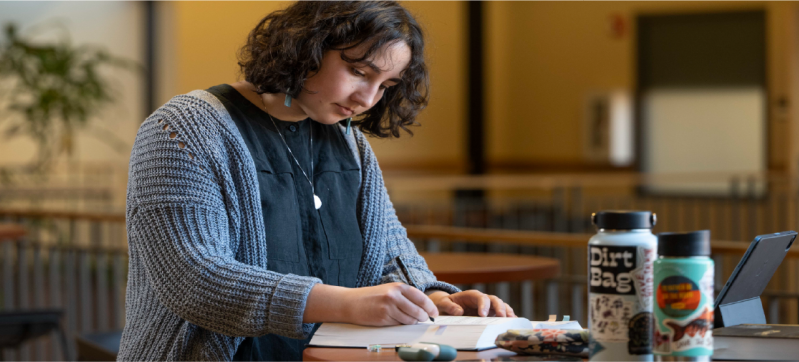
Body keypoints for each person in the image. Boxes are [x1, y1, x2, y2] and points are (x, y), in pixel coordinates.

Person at [119, 0, 516, 361]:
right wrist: (347, 304)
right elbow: (193, 279)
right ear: (305, 48)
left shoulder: (350, 142)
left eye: (386, 86)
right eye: (359, 72)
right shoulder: (183, 129)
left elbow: (389, 252)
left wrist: (430, 298)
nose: (367, 99)